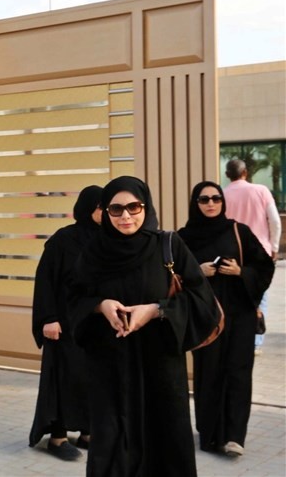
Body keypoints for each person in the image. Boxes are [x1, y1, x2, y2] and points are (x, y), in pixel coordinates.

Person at [67, 176, 221, 477]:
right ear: (106, 212)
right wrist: (100, 306)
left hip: (160, 367)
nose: (125, 216)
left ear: (145, 207)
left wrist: (155, 310)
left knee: (165, 442)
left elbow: (202, 301)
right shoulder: (94, 252)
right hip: (110, 368)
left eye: (134, 207)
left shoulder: (169, 245)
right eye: (116, 209)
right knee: (113, 443)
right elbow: (74, 298)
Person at [178, 181, 274, 458]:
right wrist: (198, 272)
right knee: (208, 373)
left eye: (216, 198)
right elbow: (170, 277)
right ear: (195, 203)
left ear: (223, 201)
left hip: (240, 315)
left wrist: (241, 272)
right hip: (206, 317)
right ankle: (210, 434)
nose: (211, 204)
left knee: (238, 372)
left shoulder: (238, 231)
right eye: (204, 199)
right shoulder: (184, 238)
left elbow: (264, 266)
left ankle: (234, 436)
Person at [29, 185, 102, 461]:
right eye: (100, 206)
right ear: (87, 208)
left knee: (92, 379)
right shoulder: (64, 239)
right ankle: (57, 438)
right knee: (63, 379)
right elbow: (45, 281)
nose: (105, 212)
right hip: (63, 326)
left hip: (93, 326)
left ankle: (88, 433)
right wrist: (48, 318)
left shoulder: (107, 240)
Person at [224, 159, 280, 355]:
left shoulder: (222, 195)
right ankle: (255, 341)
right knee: (259, 293)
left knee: (235, 294)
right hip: (259, 251)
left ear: (227, 175)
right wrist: (274, 247)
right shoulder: (261, 191)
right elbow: (275, 221)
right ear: (245, 173)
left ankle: (237, 338)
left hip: (233, 251)